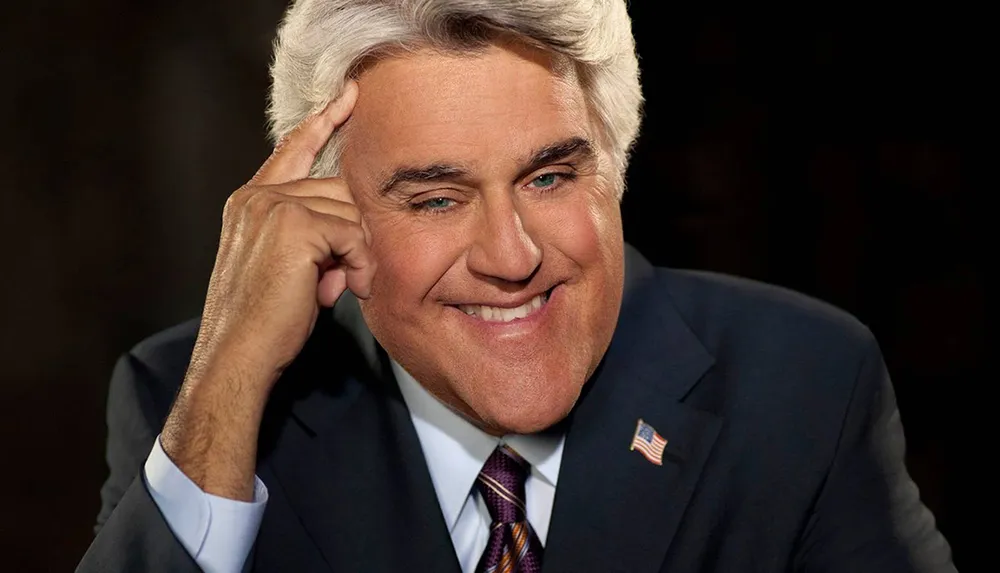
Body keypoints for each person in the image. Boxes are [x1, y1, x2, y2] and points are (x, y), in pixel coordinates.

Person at [77, 1, 956, 572]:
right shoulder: (196, 408)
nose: (510, 254)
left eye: (548, 178)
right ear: (330, 223)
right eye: (436, 197)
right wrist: (229, 374)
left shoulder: (803, 384)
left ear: (613, 170)